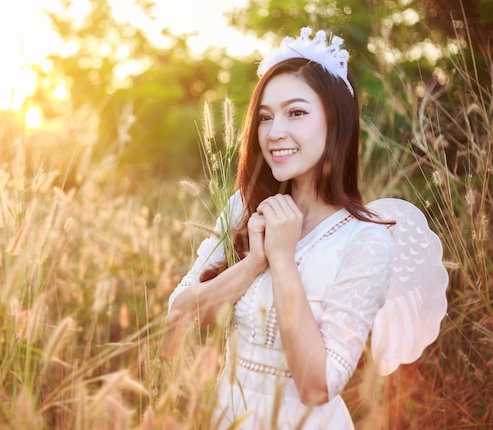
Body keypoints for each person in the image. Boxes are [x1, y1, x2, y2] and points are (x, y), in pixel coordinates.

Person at [167, 28, 448, 429]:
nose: (274, 131)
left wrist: (282, 262)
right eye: (265, 117)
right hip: (227, 416)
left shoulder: (365, 240)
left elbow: (317, 386)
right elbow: (178, 316)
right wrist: (253, 263)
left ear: (336, 123)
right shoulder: (242, 210)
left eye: (296, 112)